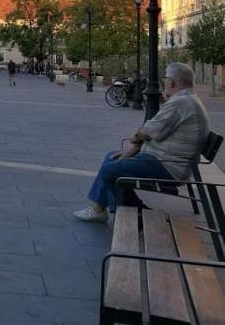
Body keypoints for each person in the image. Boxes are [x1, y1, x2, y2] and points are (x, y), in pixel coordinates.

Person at [73, 63, 210, 223]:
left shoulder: (180, 103)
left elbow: (147, 132)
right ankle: (98, 209)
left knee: (109, 170)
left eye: (165, 78)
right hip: (167, 160)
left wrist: (135, 140)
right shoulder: (187, 100)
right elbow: (154, 131)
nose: (163, 81)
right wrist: (134, 147)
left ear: (172, 82)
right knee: (111, 158)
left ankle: (137, 212)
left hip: (167, 165)